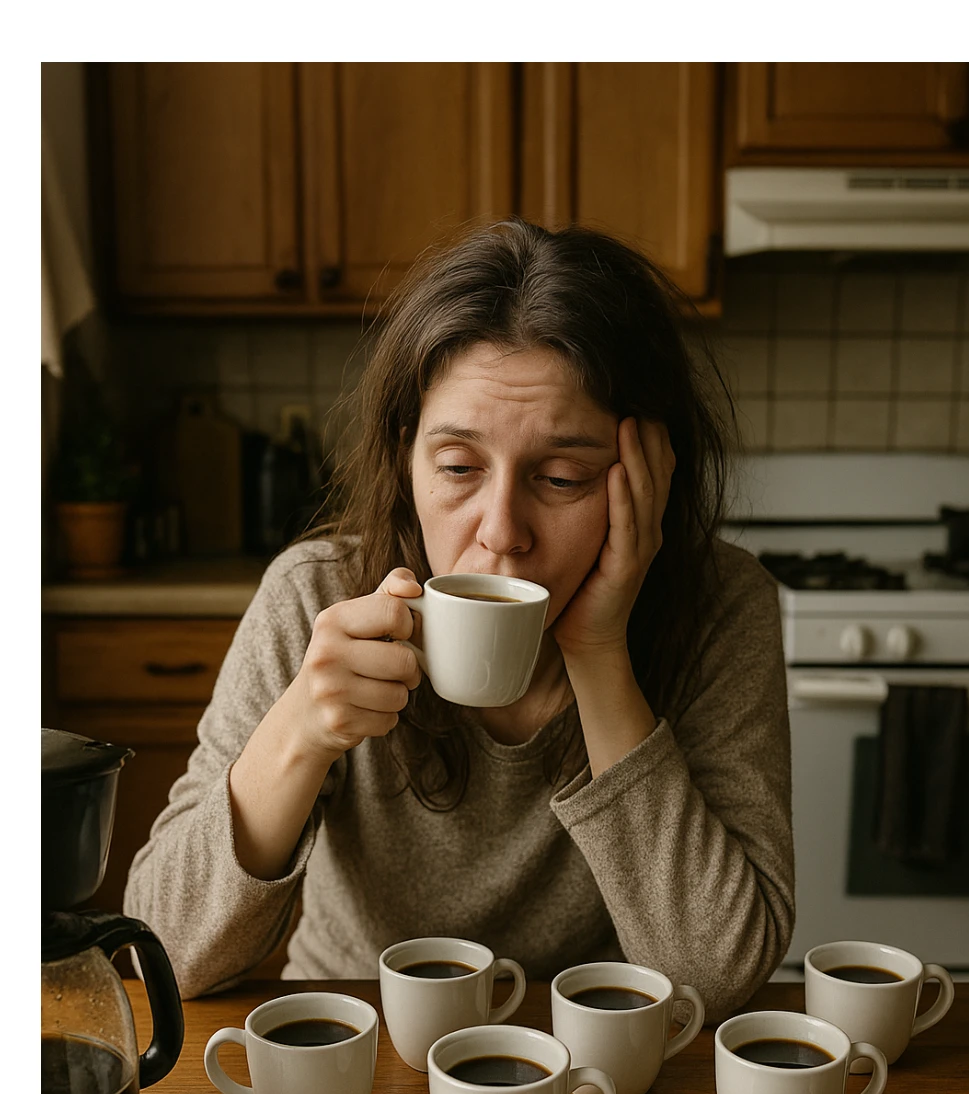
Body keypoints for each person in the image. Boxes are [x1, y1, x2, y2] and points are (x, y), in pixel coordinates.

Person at [124, 218, 794, 1020]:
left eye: (562, 477)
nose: (501, 529)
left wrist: (599, 651)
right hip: (356, 1032)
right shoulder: (315, 597)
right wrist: (299, 731)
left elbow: (716, 979)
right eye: (458, 467)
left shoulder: (720, 610)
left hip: (590, 1050)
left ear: (649, 475)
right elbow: (163, 952)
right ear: (406, 460)